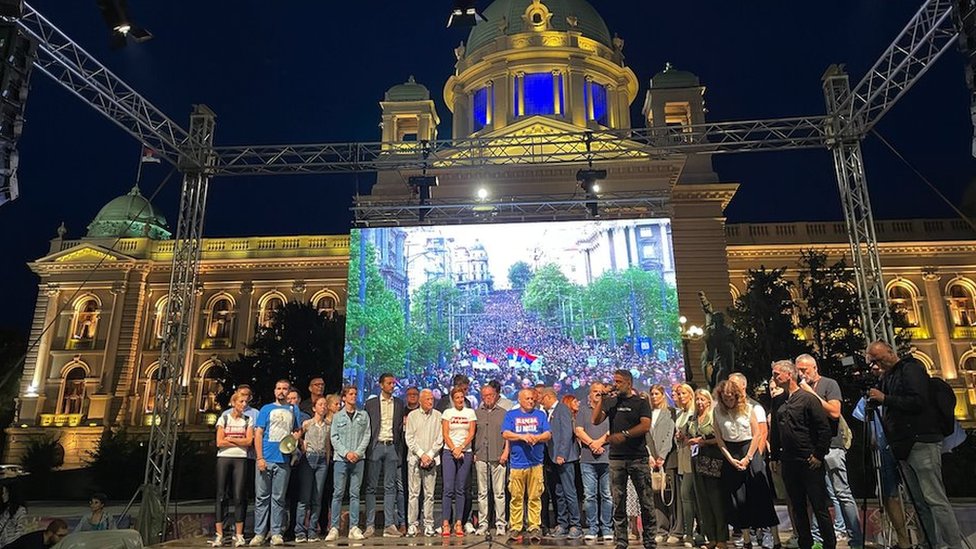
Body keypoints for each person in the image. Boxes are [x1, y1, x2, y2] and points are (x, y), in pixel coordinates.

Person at [866, 340, 966, 549]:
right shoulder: (888, 377)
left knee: (934, 498)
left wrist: (885, 399)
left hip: (922, 440)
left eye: (879, 359)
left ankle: (954, 544)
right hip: (902, 446)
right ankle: (929, 543)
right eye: (873, 361)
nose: (877, 364)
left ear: (890, 352)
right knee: (918, 501)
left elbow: (919, 401)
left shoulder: (911, 369)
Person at [795, 354, 863, 549]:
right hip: (811, 448)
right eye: (798, 370)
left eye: (804, 370)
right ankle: (819, 539)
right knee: (815, 495)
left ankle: (856, 540)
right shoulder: (799, 389)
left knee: (842, 493)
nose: (801, 374)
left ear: (815, 368)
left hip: (832, 446)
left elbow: (834, 412)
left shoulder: (829, 384)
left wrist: (811, 394)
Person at [769, 360, 835, 549]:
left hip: (809, 459)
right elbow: (776, 431)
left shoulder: (808, 399)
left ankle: (829, 544)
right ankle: (805, 542)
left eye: (777, 374)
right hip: (789, 460)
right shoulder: (778, 400)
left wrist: (818, 455)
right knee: (797, 507)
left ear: (789, 374)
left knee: (819, 505)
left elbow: (824, 429)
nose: (774, 378)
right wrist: (774, 456)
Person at [592, 369, 658, 549]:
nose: (616, 384)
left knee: (646, 500)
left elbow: (645, 425)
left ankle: (649, 540)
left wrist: (625, 434)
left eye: (619, 381)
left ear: (629, 383)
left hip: (638, 457)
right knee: (618, 501)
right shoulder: (611, 403)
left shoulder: (641, 402)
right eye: (614, 381)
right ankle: (621, 540)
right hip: (617, 459)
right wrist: (601, 399)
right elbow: (595, 420)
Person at [852, 363, 912, 549]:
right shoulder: (869, 395)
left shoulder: (900, 388)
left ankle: (926, 537)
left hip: (905, 445)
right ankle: (903, 541)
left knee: (916, 493)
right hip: (882, 448)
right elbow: (864, 419)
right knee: (888, 494)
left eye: (878, 363)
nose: (875, 368)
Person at [713, 379, 778, 544]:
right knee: (738, 497)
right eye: (725, 399)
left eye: (731, 399)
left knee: (761, 493)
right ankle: (747, 537)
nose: (729, 403)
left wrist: (748, 457)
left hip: (750, 450)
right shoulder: (717, 411)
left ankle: (774, 536)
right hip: (731, 452)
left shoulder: (748, 408)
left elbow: (757, 434)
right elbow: (719, 439)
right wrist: (730, 458)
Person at [251, 380, 301, 547]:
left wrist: (295, 438)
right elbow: (258, 433)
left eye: (284, 389)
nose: (281, 391)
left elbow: (297, 430)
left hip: (283, 460)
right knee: (262, 498)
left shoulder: (293, 410)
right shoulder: (266, 409)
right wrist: (260, 458)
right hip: (266, 458)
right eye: (278, 388)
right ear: (274, 391)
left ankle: (276, 533)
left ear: (288, 391)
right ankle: (259, 533)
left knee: (279, 499)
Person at [503, 388, 552, 543]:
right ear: (520, 400)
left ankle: (534, 526)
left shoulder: (540, 415)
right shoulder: (511, 415)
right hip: (517, 464)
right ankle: (516, 526)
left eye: (532, 398)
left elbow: (548, 434)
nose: (531, 401)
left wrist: (537, 438)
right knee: (516, 497)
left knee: (535, 497)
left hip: (536, 463)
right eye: (527, 399)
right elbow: (505, 433)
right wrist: (522, 437)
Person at [326, 385, 370, 542]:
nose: (353, 396)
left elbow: (367, 435)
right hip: (341, 459)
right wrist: (346, 453)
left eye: (355, 394)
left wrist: (357, 453)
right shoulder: (338, 416)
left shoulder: (363, 415)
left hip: (358, 459)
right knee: (338, 493)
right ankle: (334, 527)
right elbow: (334, 437)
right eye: (350, 394)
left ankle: (354, 527)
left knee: (355, 493)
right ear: (344, 397)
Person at [364, 373, 405, 538]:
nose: (392, 386)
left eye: (393, 383)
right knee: (371, 487)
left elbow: (400, 427)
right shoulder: (371, 404)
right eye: (389, 383)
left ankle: (389, 525)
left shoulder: (399, 403)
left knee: (390, 487)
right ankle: (370, 525)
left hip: (392, 446)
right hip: (376, 446)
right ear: (381, 385)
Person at [687, 388, 728, 549]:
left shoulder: (713, 415)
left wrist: (703, 442)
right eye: (697, 399)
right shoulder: (693, 418)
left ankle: (721, 538)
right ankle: (711, 537)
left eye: (702, 399)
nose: (699, 402)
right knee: (702, 500)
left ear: (709, 401)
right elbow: (690, 435)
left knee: (715, 499)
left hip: (712, 459)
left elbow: (720, 438)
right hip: (697, 459)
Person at [212, 392, 253, 547]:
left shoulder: (248, 420)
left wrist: (231, 438)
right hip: (224, 457)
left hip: (240, 458)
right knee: (221, 495)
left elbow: (248, 441)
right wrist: (238, 440)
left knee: (239, 495)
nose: (244, 404)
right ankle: (219, 534)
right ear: (233, 402)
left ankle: (239, 534)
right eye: (241, 401)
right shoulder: (224, 418)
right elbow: (219, 442)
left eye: (246, 402)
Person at [541, 388, 583, 539]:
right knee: (559, 493)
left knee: (569, 491)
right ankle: (562, 524)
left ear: (548, 397)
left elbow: (566, 433)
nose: (541, 402)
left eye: (542, 398)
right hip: (553, 458)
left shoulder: (562, 409)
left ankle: (576, 525)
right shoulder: (549, 412)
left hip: (564, 458)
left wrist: (562, 454)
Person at [576, 383, 614, 542]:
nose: (598, 394)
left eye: (601, 392)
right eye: (595, 392)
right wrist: (592, 444)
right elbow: (578, 430)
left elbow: (613, 430)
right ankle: (593, 527)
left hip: (607, 458)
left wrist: (599, 442)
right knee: (590, 495)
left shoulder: (610, 410)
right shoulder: (583, 410)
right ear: (590, 395)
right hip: (587, 459)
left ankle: (607, 528)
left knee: (607, 495)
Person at [405, 389, 444, 537]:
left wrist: (430, 455)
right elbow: (409, 438)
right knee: (414, 493)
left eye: (432, 399)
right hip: (415, 460)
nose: (430, 401)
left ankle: (429, 524)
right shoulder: (412, 416)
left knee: (429, 494)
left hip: (431, 461)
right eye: (427, 399)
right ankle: (412, 525)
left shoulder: (438, 416)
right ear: (420, 401)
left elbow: (440, 438)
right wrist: (422, 454)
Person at [474, 381, 510, 537]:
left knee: (499, 493)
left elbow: (508, 435)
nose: (487, 398)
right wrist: (474, 453)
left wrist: (506, 452)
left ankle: (500, 523)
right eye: (485, 396)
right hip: (481, 456)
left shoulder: (504, 413)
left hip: (499, 456)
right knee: (482, 493)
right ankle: (483, 524)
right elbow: (472, 434)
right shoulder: (476, 413)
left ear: (496, 396)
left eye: (490, 395)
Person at [441, 386, 477, 537]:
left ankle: (459, 523)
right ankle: (445, 523)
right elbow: (445, 433)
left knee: (461, 489)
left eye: (462, 397)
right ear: (453, 399)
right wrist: (454, 449)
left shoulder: (470, 413)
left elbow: (471, 433)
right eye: (457, 397)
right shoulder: (447, 413)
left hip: (465, 452)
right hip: (449, 452)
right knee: (448, 489)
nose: (460, 400)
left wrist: (461, 447)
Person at [295, 396, 330, 543]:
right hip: (309, 458)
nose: (323, 407)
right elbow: (296, 436)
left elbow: (327, 445)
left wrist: (327, 461)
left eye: (325, 405)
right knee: (305, 497)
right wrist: (302, 443)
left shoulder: (328, 425)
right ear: (314, 408)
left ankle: (312, 530)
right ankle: (300, 531)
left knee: (317, 497)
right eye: (320, 404)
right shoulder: (307, 424)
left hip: (322, 459)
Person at [646, 384, 677, 545]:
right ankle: (661, 529)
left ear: (663, 395)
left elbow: (670, 434)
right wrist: (650, 455)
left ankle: (675, 529)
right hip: (652, 460)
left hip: (667, 458)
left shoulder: (670, 412)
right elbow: (646, 436)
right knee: (656, 494)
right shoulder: (648, 413)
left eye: (657, 394)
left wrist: (662, 456)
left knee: (669, 494)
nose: (654, 396)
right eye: (652, 394)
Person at [672, 383, 700, 548]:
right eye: (679, 394)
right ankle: (691, 531)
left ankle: (690, 533)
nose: (681, 396)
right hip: (681, 456)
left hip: (693, 457)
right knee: (687, 497)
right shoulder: (680, 413)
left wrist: (686, 436)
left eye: (683, 393)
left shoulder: (694, 413)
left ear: (690, 394)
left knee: (687, 494)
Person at [4, 518, 68, 549]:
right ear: (50, 533)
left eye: (64, 535)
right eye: (60, 535)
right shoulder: (34, 542)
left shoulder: (48, 542)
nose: (62, 538)